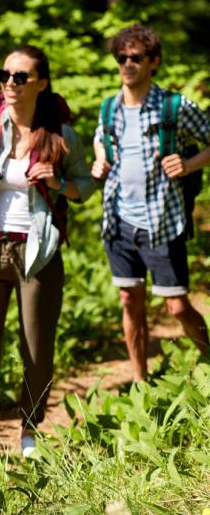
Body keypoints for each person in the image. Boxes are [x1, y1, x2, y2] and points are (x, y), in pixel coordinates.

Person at [0, 45, 95, 473]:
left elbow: (84, 187)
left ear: (41, 83)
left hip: (38, 251)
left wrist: (59, 180)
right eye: (5, 75)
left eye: (20, 76)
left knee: (36, 349)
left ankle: (29, 433)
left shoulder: (62, 134)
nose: (10, 83)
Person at [91, 24, 210, 381]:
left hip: (162, 220)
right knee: (130, 301)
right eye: (121, 57)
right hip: (118, 220)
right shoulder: (110, 106)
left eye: (135, 57)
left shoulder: (175, 106)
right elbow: (101, 138)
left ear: (153, 61)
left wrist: (188, 164)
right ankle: (141, 382)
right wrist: (100, 158)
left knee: (175, 306)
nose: (126, 64)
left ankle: (208, 354)